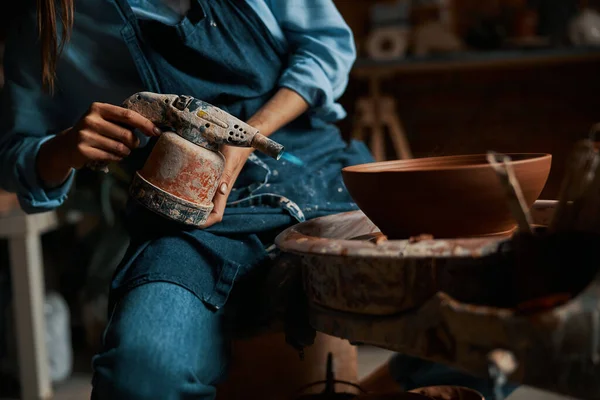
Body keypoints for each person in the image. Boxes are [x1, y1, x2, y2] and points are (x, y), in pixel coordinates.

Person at [0, 1, 512, 399]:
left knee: (479, 318)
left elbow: (327, 46)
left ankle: (390, 383)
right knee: (141, 374)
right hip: (190, 218)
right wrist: (62, 149)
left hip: (314, 176)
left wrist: (249, 133)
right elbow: (16, 154)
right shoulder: (46, 21)